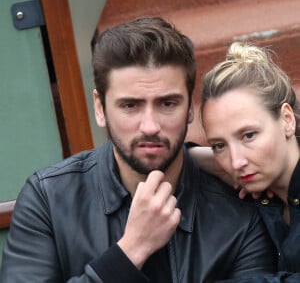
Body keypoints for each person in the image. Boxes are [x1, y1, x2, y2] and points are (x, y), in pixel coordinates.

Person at [0, 17, 276, 282]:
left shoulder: (240, 212)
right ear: (100, 108)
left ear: (190, 107)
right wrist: (130, 251)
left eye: (167, 103)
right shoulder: (49, 199)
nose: (150, 126)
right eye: (130, 105)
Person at [191, 41, 300, 282]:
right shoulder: (262, 198)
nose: (236, 162)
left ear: (287, 120)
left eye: (248, 135)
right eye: (219, 145)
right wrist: (194, 156)